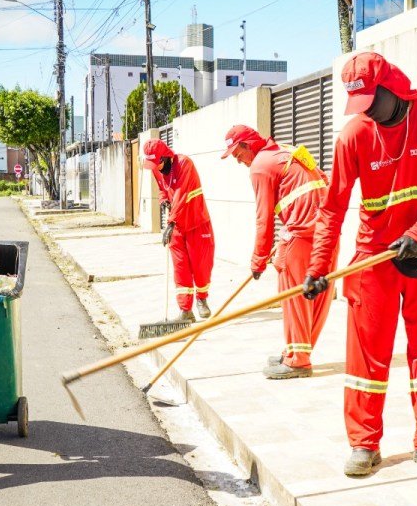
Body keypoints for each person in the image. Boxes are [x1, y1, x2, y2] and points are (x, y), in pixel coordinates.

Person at [301, 52, 417, 477]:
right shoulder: (353, 136)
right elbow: (332, 209)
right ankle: (364, 444)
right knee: (367, 356)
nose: (368, 110)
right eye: (361, 103)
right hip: (374, 258)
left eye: (374, 100)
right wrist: (318, 267)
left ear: (394, 86)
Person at [221, 124, 334, 379]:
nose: (240, 163)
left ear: (247, 145)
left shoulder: (260, 166)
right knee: (315, 297)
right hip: (327, 232)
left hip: (301, 236)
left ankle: (297, 361)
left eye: (238, 156)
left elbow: (263, 218)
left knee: (293, 296)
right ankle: (296, 352)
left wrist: (258, 260)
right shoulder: (285, 151)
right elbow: (323, 180)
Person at [142, 139, 215, 321]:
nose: (155, 167)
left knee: (200, 265)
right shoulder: (156, 169)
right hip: (176, 225)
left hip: (197, 223)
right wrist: (163, 200)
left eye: (157, 162)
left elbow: (182, 195)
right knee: (180, 268)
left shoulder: (184, 164)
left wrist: (170, 223)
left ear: (166, 157)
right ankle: (185, 311)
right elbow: (162, 188)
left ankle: (202, 299)